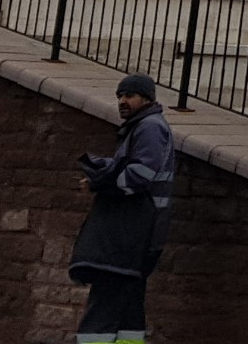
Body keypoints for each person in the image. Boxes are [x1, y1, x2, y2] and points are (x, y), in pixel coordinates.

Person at [70, 74, 176, 344]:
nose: (122, 101)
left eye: (129, 95)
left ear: (147, 98)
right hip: (139, 232)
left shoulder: (149, 127)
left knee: (105, 302)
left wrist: (100, 184)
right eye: (119, 96)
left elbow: (141, 174)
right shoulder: (142, 126)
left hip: (132, 233)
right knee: (129, 306)